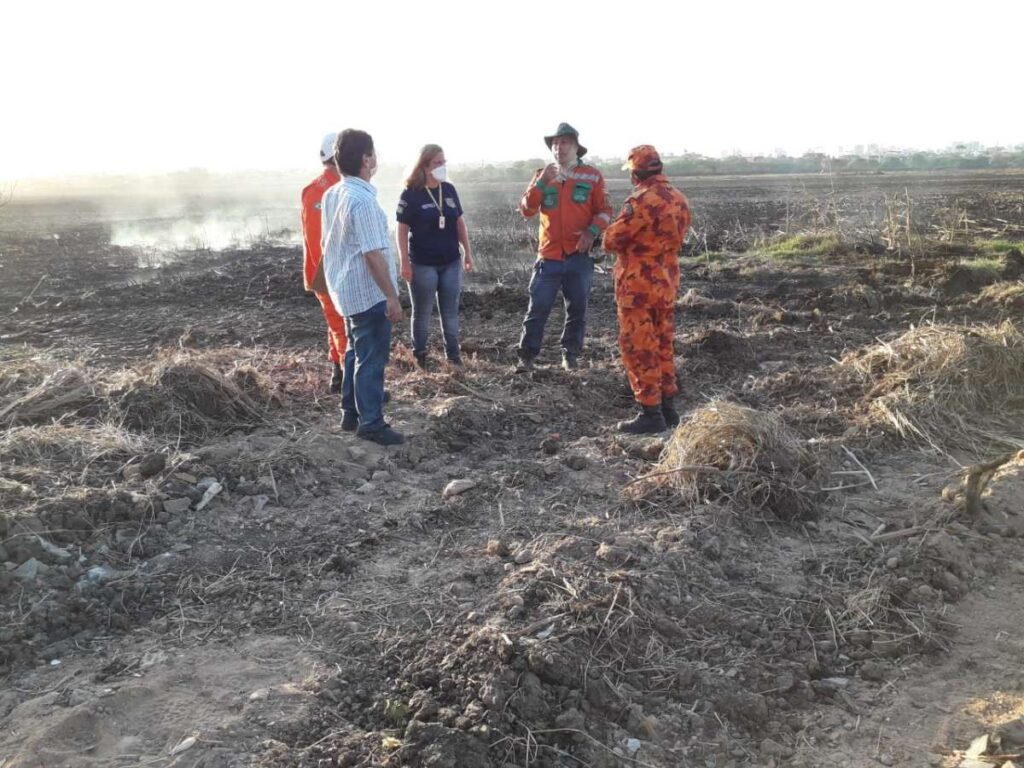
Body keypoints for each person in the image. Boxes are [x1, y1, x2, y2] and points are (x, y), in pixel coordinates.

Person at [321, 129, 405, 446]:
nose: (376, 158)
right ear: (367, 159)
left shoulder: (334, 194)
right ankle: (371, 422)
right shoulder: (363, 202)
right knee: (371, 359)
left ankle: (350, 412)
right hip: (368, 293)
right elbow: (372, 254)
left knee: (354, 352)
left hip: (345, 290)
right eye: (374, 153)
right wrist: (391, 296)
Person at [602, 145, 692, 434]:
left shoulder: (640, 200)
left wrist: (603, 235)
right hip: (666, 284)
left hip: (638, 287)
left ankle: (650, 412)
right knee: (663, 345)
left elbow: (614, 239)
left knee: (639, 348)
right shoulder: (679, 199)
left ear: (637, 173)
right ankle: (668, 408)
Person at [516, 123, 613, 372]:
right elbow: (526, 210)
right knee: (537, 308)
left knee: (577, 309)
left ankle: (570, 356)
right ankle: (526, 358)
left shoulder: (592, 175)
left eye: (564, 142)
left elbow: (605, 211)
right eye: (555, 144)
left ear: (576, 147)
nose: (559, 148)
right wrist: (541, 183)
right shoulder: (542, 174)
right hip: (548, 256)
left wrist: (591, 233)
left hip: (578, 256)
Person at [396, 144, 474, 369]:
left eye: (444, 162)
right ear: (425, 166)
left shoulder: (448, 190)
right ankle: (419, 355)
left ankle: (454, 357)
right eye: (437, 163)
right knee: (422, 312)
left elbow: (459, 222)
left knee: (450, 311)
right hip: (422, 264)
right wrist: (404, 261)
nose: (443, 167)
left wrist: (467, 252)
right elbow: (401, 230)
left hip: (450, 261)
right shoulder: (411, 194)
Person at [300, 132, 347, 393]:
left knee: (335, 324)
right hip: (329, 271)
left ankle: (338, 372)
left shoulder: (318, 188)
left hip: (326, 271)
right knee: (342, 328)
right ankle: (351, 382)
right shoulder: (326, 191)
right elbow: (319, 240)